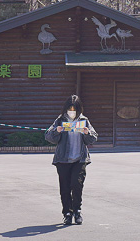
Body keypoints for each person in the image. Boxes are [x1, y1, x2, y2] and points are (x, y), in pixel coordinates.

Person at [45, 95, 98, 226]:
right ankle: (67, 214)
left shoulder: (84, 121)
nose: (72, 111)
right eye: (70, 109)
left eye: (75, 109)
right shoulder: (60, 120)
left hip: (79, 159)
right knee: (65, 187)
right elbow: (48, 136)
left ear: (79, 109)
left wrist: (87, 133)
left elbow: (94, 137)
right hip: (63, 160)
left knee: (77, 185)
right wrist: (56, 132)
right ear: (66, 109)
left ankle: (77, 211)